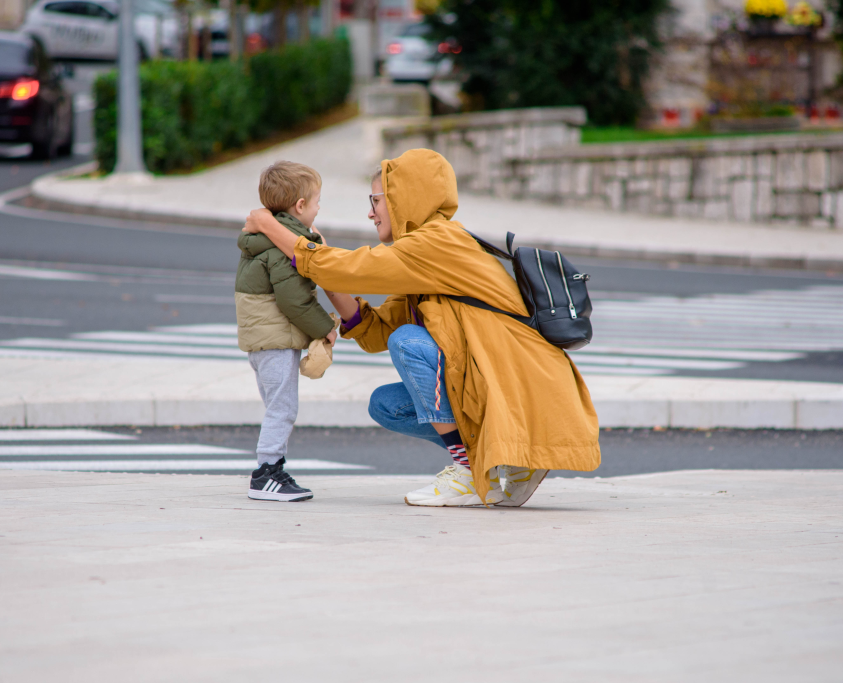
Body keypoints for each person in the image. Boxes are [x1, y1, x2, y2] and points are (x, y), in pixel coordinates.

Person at [242, 149, 601, 508]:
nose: (370, 212)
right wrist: (325, 273)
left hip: (521, 388)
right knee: (387, 404)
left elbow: (347, 267)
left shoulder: (437, 243)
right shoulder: (424, 255)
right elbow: (374, 331)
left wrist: (269, 224)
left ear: (404, 197)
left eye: (377, 200)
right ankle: (506, 460)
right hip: (505, 385)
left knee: (408, 342)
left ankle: (469, 472)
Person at [235, 161, 338, 502]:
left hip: (262, 341)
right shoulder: (283, 249)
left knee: (276, 406)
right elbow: (294, 301)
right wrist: (325, 330)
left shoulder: (262, 239)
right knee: (283, 408)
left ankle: (273, 468)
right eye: (317, 201)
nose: (319, 207)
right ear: (300, 207)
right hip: (275, 343)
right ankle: (266, 473)